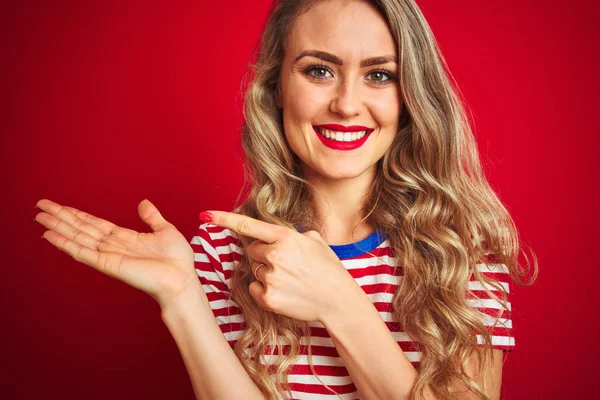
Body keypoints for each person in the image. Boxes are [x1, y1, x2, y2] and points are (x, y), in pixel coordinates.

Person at [34, 0, 538, 399]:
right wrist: (182, 297)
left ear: (410, 95)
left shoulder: (462, 250)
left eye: (379, 74)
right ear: (276, 85)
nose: (345, 103)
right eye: (319, 70)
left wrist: (337, 301)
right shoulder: (220, 252)